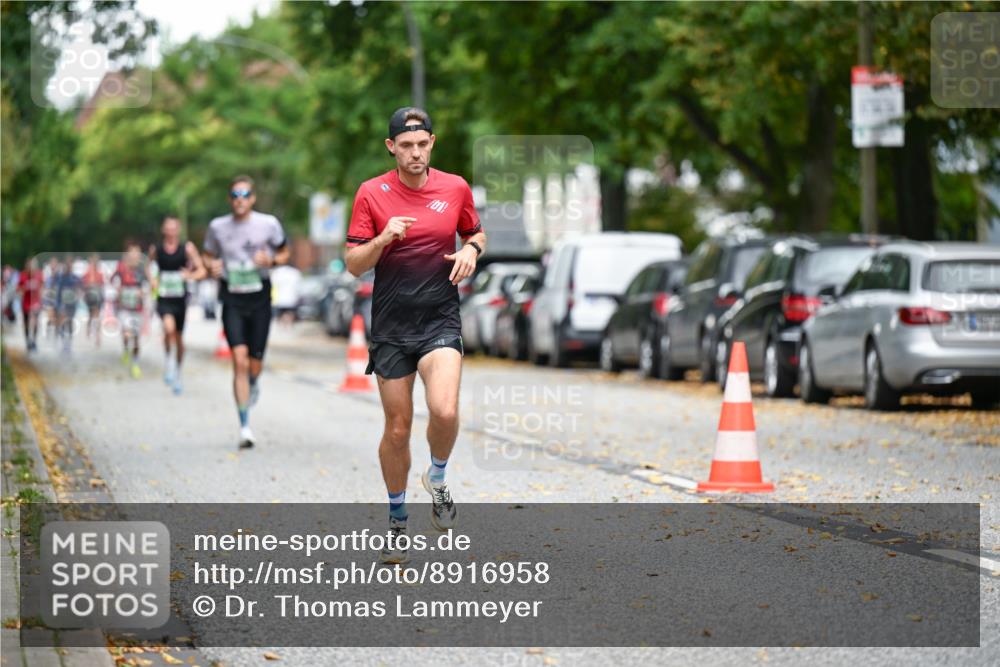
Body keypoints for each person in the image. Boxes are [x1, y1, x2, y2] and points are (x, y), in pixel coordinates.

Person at [345, 107, 486, 564]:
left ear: (432, 143)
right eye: (406, 146)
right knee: (398, 427)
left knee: (444, 410)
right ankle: (397, 518)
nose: (416, 153)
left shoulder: (455, 187)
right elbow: (353, 264)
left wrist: (471, 250)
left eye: (422, 144)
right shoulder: (372, 193)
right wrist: (384, 238)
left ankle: (438, 478)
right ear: (392, 148)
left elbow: (477, 232)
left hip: (439, 319)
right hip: (391, 326)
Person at [203, 175, 289, 449]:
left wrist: (272, 260)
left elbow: (285, 252)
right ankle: (244, 426)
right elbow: (208, 254)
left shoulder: (268, 224)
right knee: (238, 361)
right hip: (232, 298)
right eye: (235, 195)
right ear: (230, 199)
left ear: (252, 198)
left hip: (260, 297)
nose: (240, 199)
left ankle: (253, 381)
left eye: (245, 194)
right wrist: (211, 266)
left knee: (255, 363)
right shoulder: (217, 227)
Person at [148, 216, 207, 395]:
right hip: (164, 297)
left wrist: (189, 276)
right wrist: (152, 279)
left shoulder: (187, 248)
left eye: (174, 228)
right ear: (163, 230)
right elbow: (147, 266)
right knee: (168, 329)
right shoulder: (156, 250)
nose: (171, 231)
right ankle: (169, 362)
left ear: (178, 230)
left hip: (180, 300)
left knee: (180, 340)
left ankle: (178, 372)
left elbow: (202, 270)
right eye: (168, 228)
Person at [112, 242, 147, 379]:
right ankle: (126, 349)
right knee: (127, 333)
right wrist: (119, 289)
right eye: (133, 252)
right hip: (124, 308)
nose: (135, 255)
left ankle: (136, 364)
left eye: (137, 253)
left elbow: (147, 286)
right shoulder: (121, 268)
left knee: (136, 338)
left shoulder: (142, 270)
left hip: (137, 308)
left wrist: (142, 292)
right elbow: (113, 281)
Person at [53, 256, 82, 353]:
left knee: (69, 323)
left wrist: (78, 294)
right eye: (67, 265)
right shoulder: (61, 277)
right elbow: (56, 289)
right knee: (62, 323)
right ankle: (63, 341)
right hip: (62, 304)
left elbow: (80, 287)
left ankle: (68, 343)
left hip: (72, 304)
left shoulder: (75, 277)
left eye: (70, 265)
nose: (69, 267)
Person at [17, 258, 43, 352]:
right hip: (26, 303)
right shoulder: (23, 276)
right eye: (29, 266)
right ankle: (28, 341)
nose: (31, 268)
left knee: (35, 322)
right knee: (27, 323)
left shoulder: (39, 275)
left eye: (32, 266)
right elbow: (18, 290)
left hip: (36, 303)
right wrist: (26, 287)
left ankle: (34, 341)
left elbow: (43, 287)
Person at [82, 254, 105, 347]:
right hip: (90, 297)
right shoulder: (88, 273)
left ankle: (96, 336)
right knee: (92, 316)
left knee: (96, 315)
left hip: (96, 296)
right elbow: (84, 285)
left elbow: (101, 285)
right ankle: (91, 333)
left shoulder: (99, 274)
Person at [269, 263, 302, 327]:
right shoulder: (295, 272)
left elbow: (272, 284)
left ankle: (284, 325)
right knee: (289, 313)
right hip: (291, 297)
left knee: (282, 313)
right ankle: (288, 325)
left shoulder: (277, 272)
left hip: (280, 298)